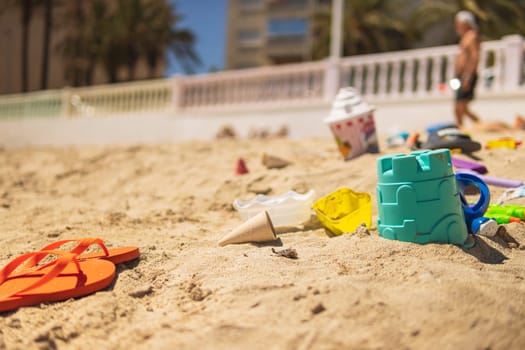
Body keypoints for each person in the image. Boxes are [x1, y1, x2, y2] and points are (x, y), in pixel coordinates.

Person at [454, 11, 481, 127]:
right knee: (461, 108)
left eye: (459, 23)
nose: (457, 26)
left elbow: (475, 56)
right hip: (461, 76)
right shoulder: (465, 37)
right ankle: (477, 125)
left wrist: (468, 77)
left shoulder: (472, 36)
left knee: (460, 107)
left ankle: (479, 125)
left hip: (467, 75)